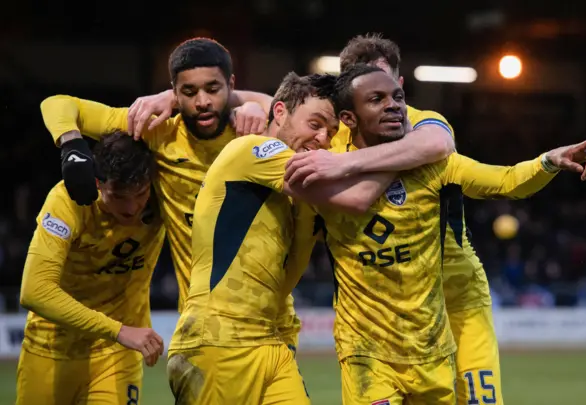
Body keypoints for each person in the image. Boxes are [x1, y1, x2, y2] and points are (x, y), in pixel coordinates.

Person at [283, 34, 586, 405]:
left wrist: (547, 161)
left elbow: (502, 178)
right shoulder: (326, 146)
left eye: (393, 93)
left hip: (454, 296)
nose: (389, 104)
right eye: (372, 93)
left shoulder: (426, 132)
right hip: (369, 329)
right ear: (346, 105)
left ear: (401, 86)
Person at [39, 37, 301, 349]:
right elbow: (57, 104)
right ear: (174, 92)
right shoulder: (157, 132)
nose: (202, 101)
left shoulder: (257, 130)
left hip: (275, 323)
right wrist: (71, 145)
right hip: (206, 329)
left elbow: (298, 116)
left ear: (230, 84)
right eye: (188, 92)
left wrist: (250, 102)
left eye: (213, 89)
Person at [166, 72, 398, 404]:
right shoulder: (254, 148)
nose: (322, 138)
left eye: (330, 133)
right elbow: (358, 197)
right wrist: (399, 149)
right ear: (279, 113)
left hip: (270, 342)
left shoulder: (299, 199)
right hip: (218, 340)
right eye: (314, 124)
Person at [16, 131, 165, 405]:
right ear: (98, 183)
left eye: (141, 193)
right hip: (51, 349)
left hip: (117, 354)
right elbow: (33, 291)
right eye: (119, 196)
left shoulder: (163, 195)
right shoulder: (68, 200)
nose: (132, 208)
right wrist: (119, 330)